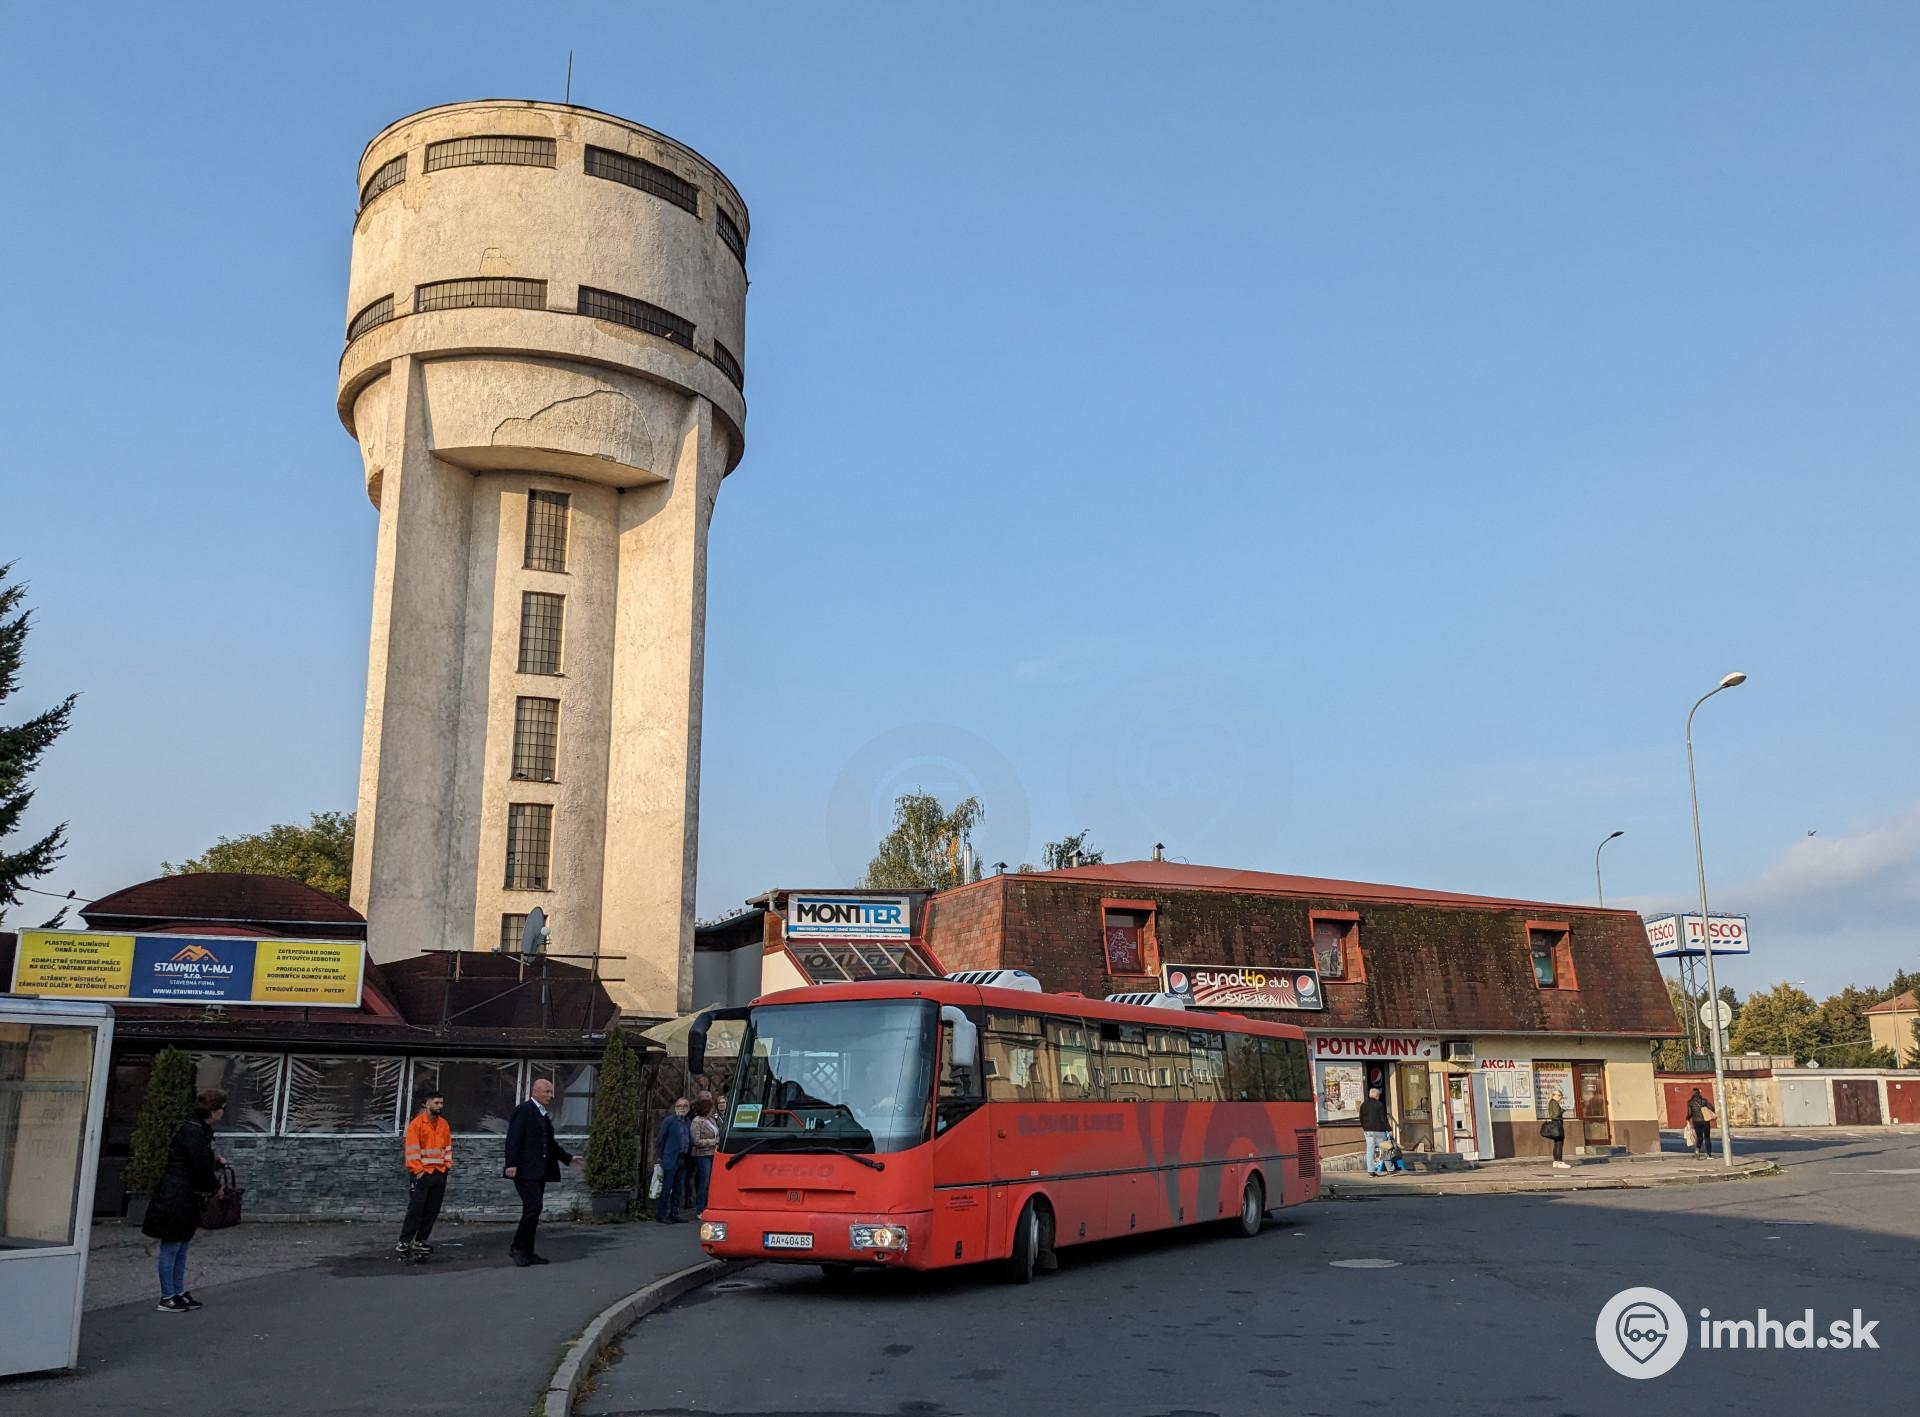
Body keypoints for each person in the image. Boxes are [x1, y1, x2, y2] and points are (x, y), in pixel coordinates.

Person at [142, 1087, 226, 1312]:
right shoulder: (194, 1131)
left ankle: (177, 1292)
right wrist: (215, 1187)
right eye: (222, 1109)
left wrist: (216, 1162)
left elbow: (200, 1160)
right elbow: (198, 1164)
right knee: (172, 1246)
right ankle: (168, 1296)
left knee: (180, 1246)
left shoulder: (197, 1128)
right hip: (177, 1195)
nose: (223, 1113)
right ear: (215, 1109)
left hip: (182, 1194)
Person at [503, 1077, 583, 1265]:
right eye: (547, 1091)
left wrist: (568, 1158)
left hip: (538, 1171)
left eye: (551, 1091)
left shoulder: (542, 1114)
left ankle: (528, 1251)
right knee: (533, 1207)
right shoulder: (524, 1110)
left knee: (533, 1209)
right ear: (536, 1091)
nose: (551, 1095)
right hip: (525, 1170)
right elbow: (513, 1138)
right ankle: (518, 1248)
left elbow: (550, 1144)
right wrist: (511, 1163)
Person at [396, 1089, 452, 1256]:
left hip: (439, 1172)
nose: (440, 1106)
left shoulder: (443, 1124)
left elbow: (447, 1147)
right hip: (422, 1173)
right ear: (426, 1104)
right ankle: (404, 1241)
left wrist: (447, 1166)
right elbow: (412, 1149)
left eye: (441, 1103)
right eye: (436, 1103)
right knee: (416, 1209)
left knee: (432, 1210)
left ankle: (420, 1240)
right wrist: (418, 1171)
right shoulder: (417, 1124)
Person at [654, 1097, 692, 1224]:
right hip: (670, 1159)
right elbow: (660, 1139)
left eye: (685, 1106)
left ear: (688, 1108)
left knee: (678, 1189)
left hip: (682, 1159)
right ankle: (662, 1214)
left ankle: (674, 1213)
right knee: (667, 1188)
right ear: (675, 1108)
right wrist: (661, 1157)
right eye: (679, 1106)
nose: (682, 1108)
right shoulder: (669, 1121)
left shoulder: (688, 1122)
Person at [689, 1096, 720, 1214]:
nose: (713, 1110)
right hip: (702, 1155)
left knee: (712, 1181)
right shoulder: (697, 1121)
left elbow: (717, 1134)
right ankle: (700, 1209)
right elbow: (695, 1141)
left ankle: (710, 1205)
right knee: (704, 1181)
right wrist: (713, 1142)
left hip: (713, 1154)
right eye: (711, 1108)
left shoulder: (711, 1120)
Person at [1358, 1086, 1391, 1176]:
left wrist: (1364, 1127)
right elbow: (1383, 1118)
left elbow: (1361, 1118)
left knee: (1370, 1151)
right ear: (1376, 1096)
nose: (1378, 1097)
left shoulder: (1364, 1105)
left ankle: (1371, 1170)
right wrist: (1389, 1129)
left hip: (1368, 1131)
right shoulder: (1379, 1104)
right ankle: (1390, 1169)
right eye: (1378, 1095)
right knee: (1385, 1149)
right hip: (1379, 1130)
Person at [1686, 1087, 1715, 1157]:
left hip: (1696, 1122)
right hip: (1705, 1121)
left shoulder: (1690, 1102)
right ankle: (1709, 1154)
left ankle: (1697, 1150)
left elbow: (1689, 1113)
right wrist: (1706, 1110)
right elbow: (1712, 1108)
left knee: (1699, 1137)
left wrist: (1687, 1119)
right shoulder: (1704, 1101)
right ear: (1699, 1093)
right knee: (1707, 1138)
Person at [1546, 1088, 1570, 1169]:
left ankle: (1555, 1162)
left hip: (1554, 1124)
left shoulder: (1551, 1102)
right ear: (1554, 1095)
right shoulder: (1554, 1103)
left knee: (1556, 1143)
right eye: (1559, 1095)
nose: (1560, 1097)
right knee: (1559, 1143)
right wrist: (1562, 1110)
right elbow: (1556, 1114)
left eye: (1561, 1096)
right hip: (1557, 1124)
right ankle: (1560, 1162)